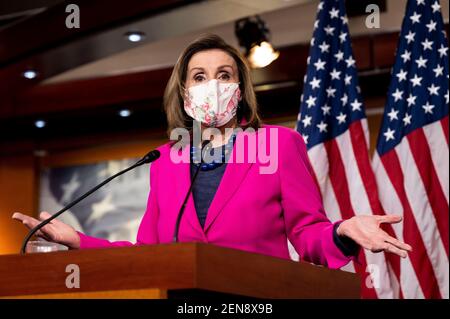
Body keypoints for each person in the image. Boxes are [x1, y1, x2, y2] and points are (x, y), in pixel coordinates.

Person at [12, 34, 411, 269]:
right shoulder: (164, 160)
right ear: (185, 94)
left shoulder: (278, 144)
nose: (213, 85)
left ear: (239, 90)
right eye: (199, 77)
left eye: (225, 75)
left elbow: (307, 235)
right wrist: (79, 241)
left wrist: (342, 232)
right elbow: (150, 253)